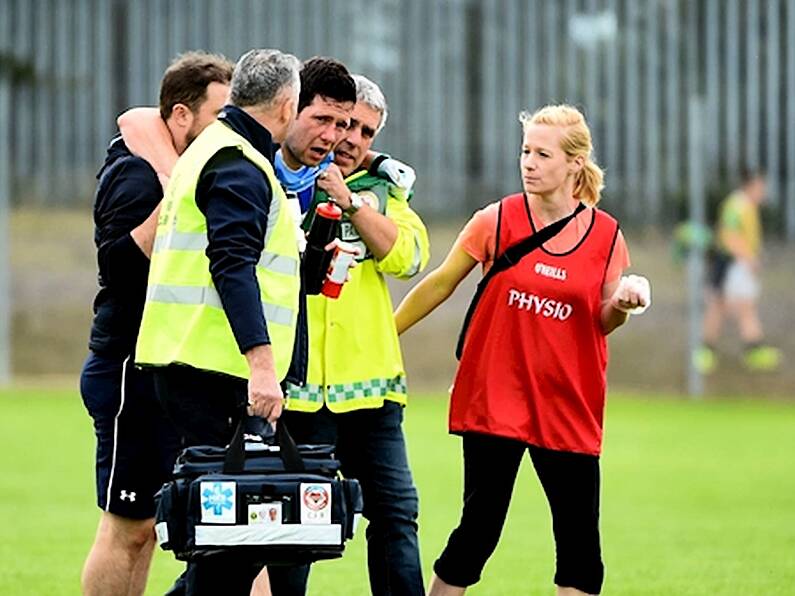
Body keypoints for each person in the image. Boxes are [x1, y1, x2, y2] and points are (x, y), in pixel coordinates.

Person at [394, 104, 650, 596]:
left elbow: (602, 321)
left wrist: (622, 303)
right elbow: (440, 285)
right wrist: (387, 334)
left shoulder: (607, 236)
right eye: (525, 151)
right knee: (478, 532)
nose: (528, 163)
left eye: (542, 154)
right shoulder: (495, 220)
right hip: (496, 400)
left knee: (579, 546)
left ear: (575, 163)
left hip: (568, 403)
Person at [134, 48, 302, 596]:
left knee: (230, 540)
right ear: (286, 104)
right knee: (236, 539)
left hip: (186, 361)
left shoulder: (209, 148)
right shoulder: (238, 162)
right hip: (216, 369)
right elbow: (232, 265)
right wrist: (262, 365)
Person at [78, 51, 233, 596]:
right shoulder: (136, 173)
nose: (227, 130)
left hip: (175, 367)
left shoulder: (192, 167)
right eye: (219, 115)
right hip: (128, 368)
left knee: (159, 527)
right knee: (128, 527)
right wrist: (173, 200)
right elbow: (115, 266)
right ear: (182, 116)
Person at [277, 74, 429, 596]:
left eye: (366, 131)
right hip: (297, 393)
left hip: (370, 390)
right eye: (345, 124)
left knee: (395, 517)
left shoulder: (384, 193)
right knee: (294, 530)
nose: (352, 139)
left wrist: (351, 203)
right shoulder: (283, 178)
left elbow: (409, 256)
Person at [694, 169, 781, 374]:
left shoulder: (746, 207)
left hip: (734, 263)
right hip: (731, 263)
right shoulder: (737, 205)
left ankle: (710, 350)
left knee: (723, 305)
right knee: (735, 305)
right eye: (760, 188)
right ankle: (749, 348)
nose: (763, 193)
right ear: (750, 186)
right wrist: (748, 259)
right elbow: (729, 236)